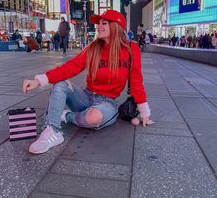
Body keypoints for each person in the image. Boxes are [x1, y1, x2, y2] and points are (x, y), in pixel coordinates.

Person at [22, 10, 154, 155]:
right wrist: (38, 81)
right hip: (85, 97)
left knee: (94, 117)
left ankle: (65, 116)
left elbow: (136, 80)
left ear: (116, 26)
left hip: (107, 103)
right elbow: (70, 67)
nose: (99, 26)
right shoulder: (94, 47)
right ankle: (53, 130)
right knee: (60, 84)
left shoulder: (131, 49)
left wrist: (144, 112)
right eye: (99, 23)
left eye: (104, 23)